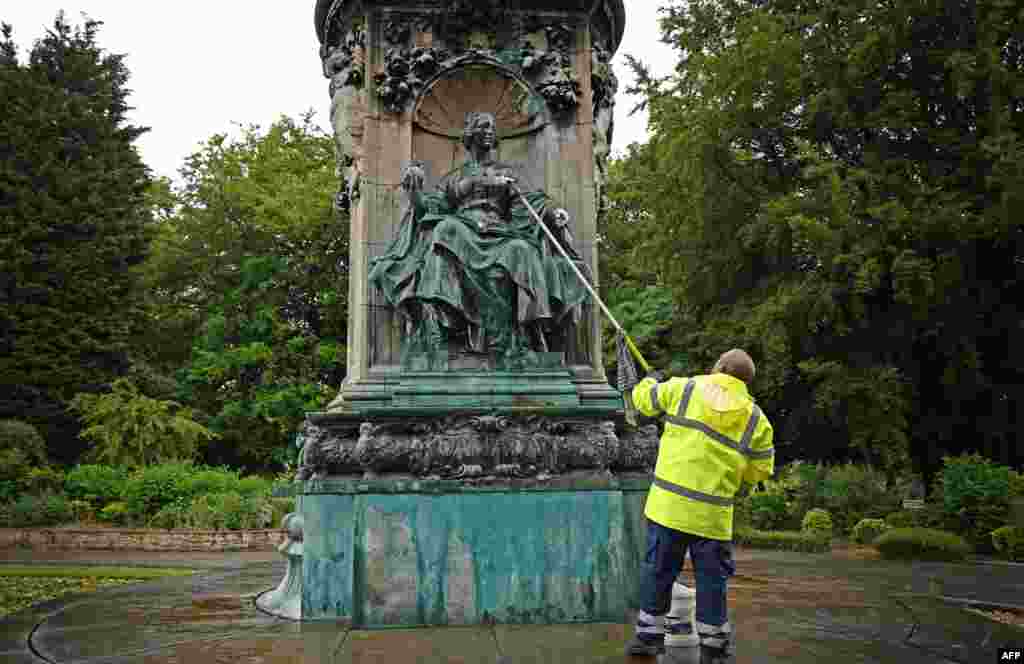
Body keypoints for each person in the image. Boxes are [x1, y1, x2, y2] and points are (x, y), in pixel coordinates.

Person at [368, 111, 588, 357]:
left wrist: (552, 214)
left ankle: (526, 338)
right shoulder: (455, 177)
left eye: (492, 128)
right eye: (483, 127)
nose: (489, 131)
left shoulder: (508, 173)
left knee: (523, 250)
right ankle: (437, 332)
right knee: (444, 230)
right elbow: (430, 210)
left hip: (500, 233)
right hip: (463, 228)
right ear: (471, 134)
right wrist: (415, 191)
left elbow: (528, 203)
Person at [625, 349, 774, 660]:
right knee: (711, 582)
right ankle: (714, 645)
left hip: (669, 508)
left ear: (719, 366)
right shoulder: (756, 418)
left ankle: (648, 637)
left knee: (658, 572)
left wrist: (649, 380)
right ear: (746, 381)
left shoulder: (685, 388)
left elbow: (642, 401)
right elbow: (760, 469)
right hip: (713, 516)